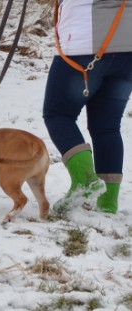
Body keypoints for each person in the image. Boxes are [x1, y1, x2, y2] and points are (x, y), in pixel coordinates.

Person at [43, 0, 132, 214]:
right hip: (128, 45)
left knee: (57, 114)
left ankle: (84, 181)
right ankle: (107, 203)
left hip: (85, 41)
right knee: (107, 126)